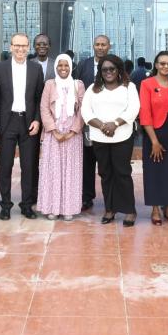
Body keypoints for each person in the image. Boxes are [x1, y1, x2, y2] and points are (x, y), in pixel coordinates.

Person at [81, 54, 140, 227]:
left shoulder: (129, 87)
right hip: (100, 137)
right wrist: (102, 126)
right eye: (104, 69)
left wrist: (114, 124)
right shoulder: (93, 88)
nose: (108, 72)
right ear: (100, 71)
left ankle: (129, 210)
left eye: (112, 69)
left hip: (122, 136)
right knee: (105, 173)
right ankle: (110, 208)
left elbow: (134, 109)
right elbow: (86, 112)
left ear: (119, 70)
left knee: (122, 173)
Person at [0, 33, 45, 220]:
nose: (20, 49)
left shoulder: (36, 68)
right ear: (11, 46)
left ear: (29, 47)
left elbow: (40, 97)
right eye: (17, 45)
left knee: (29, 166)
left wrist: (38, 120)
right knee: (5, 166)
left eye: (24, 46)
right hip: (7, 123)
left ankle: (26, 205)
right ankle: (5, 205)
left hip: (28, 122)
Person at [37, 54, 85, 220]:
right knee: (53, 171)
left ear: (71, 67)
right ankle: (52, 207)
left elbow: (82, 110)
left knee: (70, 171)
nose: (63, 68)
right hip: (53, 134)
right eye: (60, 66)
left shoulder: (78, 85)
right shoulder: (50, 84)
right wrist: (54, 130)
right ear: (56, 67)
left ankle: (68, 208)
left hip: (73, 135)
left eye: (66, 65)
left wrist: (73, 131)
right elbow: (44, 108)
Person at [139, 51, 168, 225]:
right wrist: (154, 141)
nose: (166, 67)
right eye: (162, 63)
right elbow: (145, 113)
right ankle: (156, 208)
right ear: (156, 65)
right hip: (154, 131)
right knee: (154, 171)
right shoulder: (146, 84)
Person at [73, 34, 111, 211]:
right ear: (93, 46)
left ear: (109, 47)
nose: (100, 47)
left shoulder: (115, 65)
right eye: (98, 44)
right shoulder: (83, 65)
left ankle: (110, 199)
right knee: (87, 162)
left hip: (109, 124)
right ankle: (86, 197)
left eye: (104, 44)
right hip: (87, 123)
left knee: (106, 164)